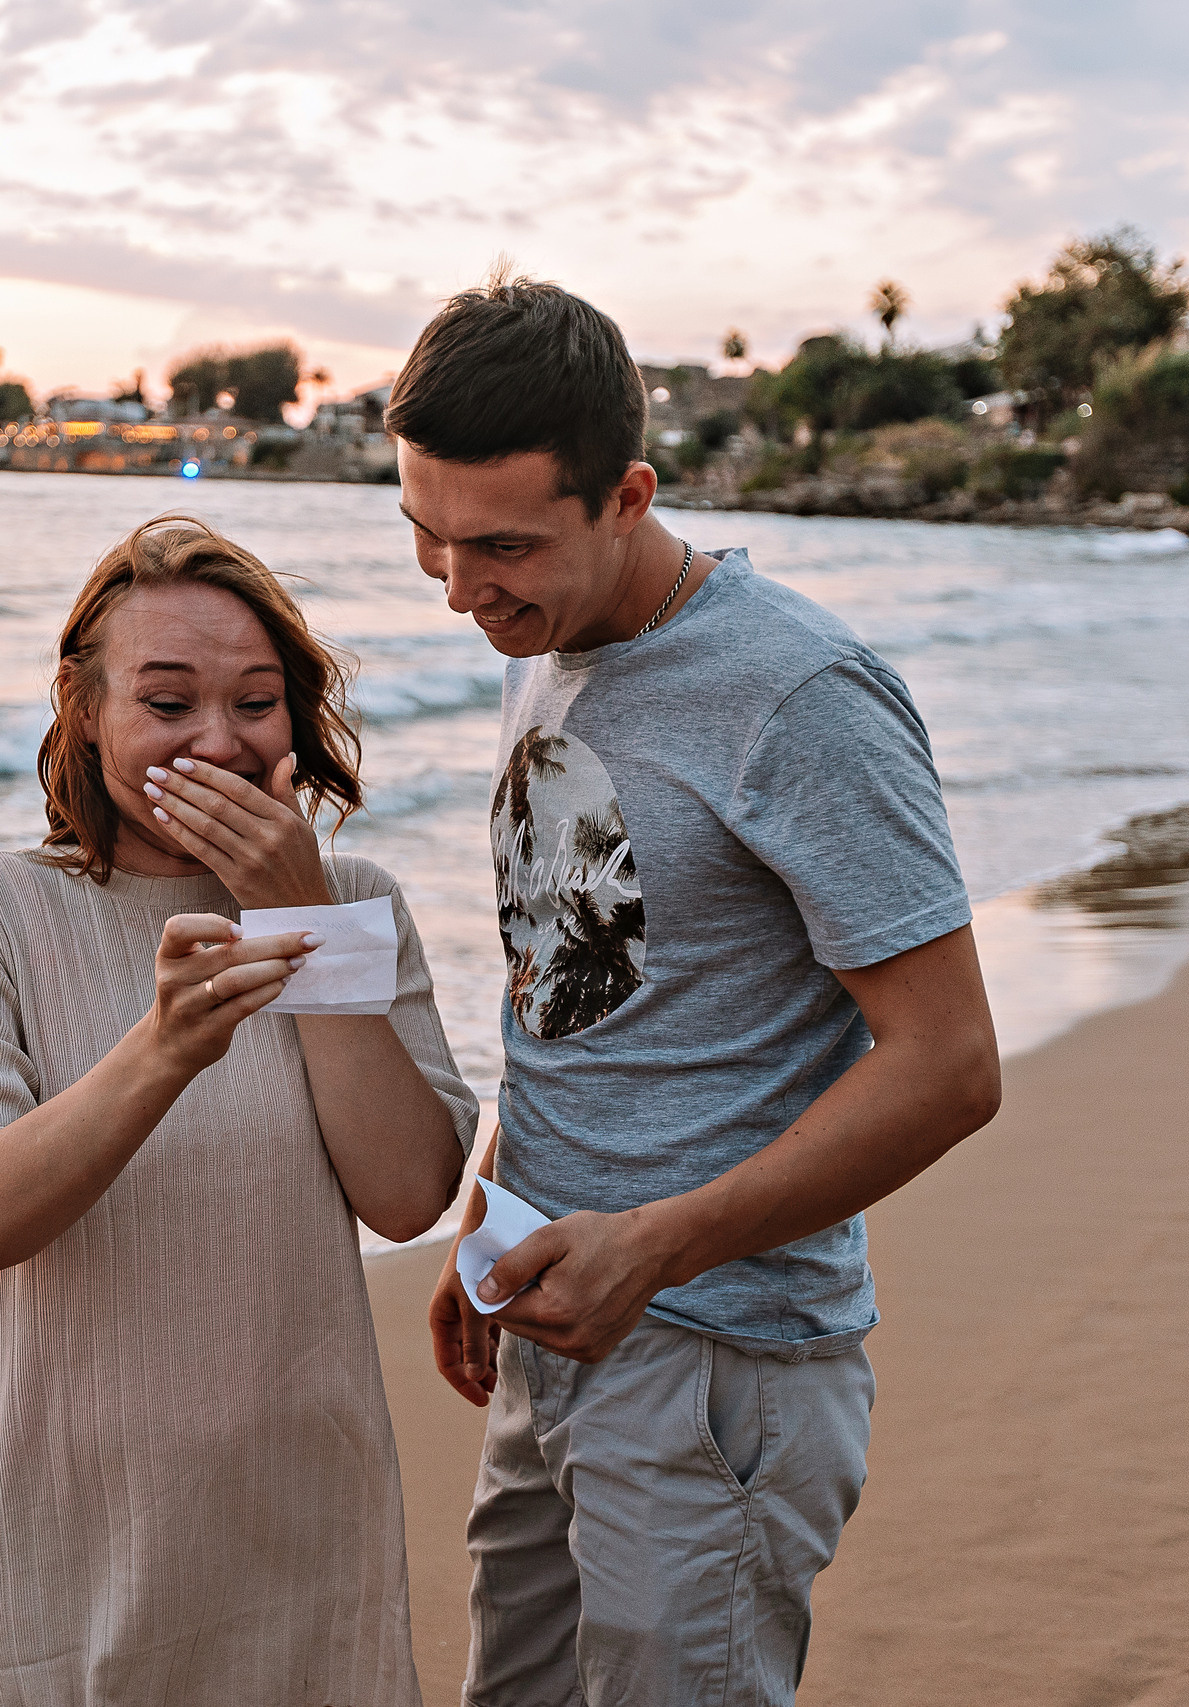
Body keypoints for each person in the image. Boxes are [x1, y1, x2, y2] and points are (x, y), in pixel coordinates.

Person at [395, 274, 1003, 1705]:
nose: (460, 588)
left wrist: (653, 1249)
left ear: (628, 499)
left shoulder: (798, 694)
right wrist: (495, 1204)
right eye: (425, 533)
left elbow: (949, 1063)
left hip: (719, 1358)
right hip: (556, 1307)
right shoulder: (545, 637)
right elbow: (577, 973)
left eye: (502, 545)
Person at [0, 514, 478, 1707]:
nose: (217, 740)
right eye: (167, 703)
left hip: (299, 1544)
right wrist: (162, 1049)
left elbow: (407, 1194)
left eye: (254, 703)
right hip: (42, 1556)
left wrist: (301, 918)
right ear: (83, 707)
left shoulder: (352, 901)